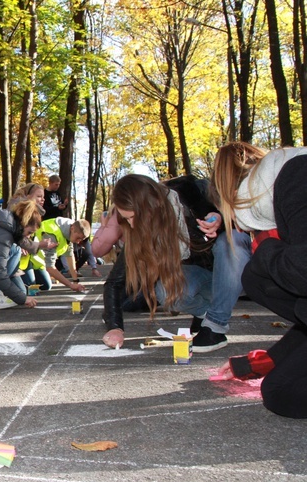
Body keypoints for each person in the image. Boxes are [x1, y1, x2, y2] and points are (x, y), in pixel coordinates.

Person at [211, 142, 307, 418]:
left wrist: (264, 250)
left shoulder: (296, 176)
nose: (240, 228)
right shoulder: (282, 185)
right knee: (282, 391)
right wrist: (262, 362)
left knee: (258, 276)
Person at [102, 174, 227, 348]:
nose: (131, 225)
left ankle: (216, 318)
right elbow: (114, 282)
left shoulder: (188, 196)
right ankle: (204, 312)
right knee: (165, 292)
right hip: (196, 278)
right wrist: (115, 327)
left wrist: (220, 221)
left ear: (147, 206)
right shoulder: (139, 232)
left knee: (227, 244)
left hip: (221, 274)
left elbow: (230, 228)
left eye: (133, 217)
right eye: (126, 219)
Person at [29, 217, 91, 292]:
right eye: (78, 238)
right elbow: (50, 267)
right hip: (28, 259)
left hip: (39, 262)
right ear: (72, 228)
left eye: (81, 239)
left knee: (46, 285)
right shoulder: (52, 234)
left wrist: (75, 281)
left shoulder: (69, 231)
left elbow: (70, 255)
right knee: (30, 288)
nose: (78, 242)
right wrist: (71, 285)